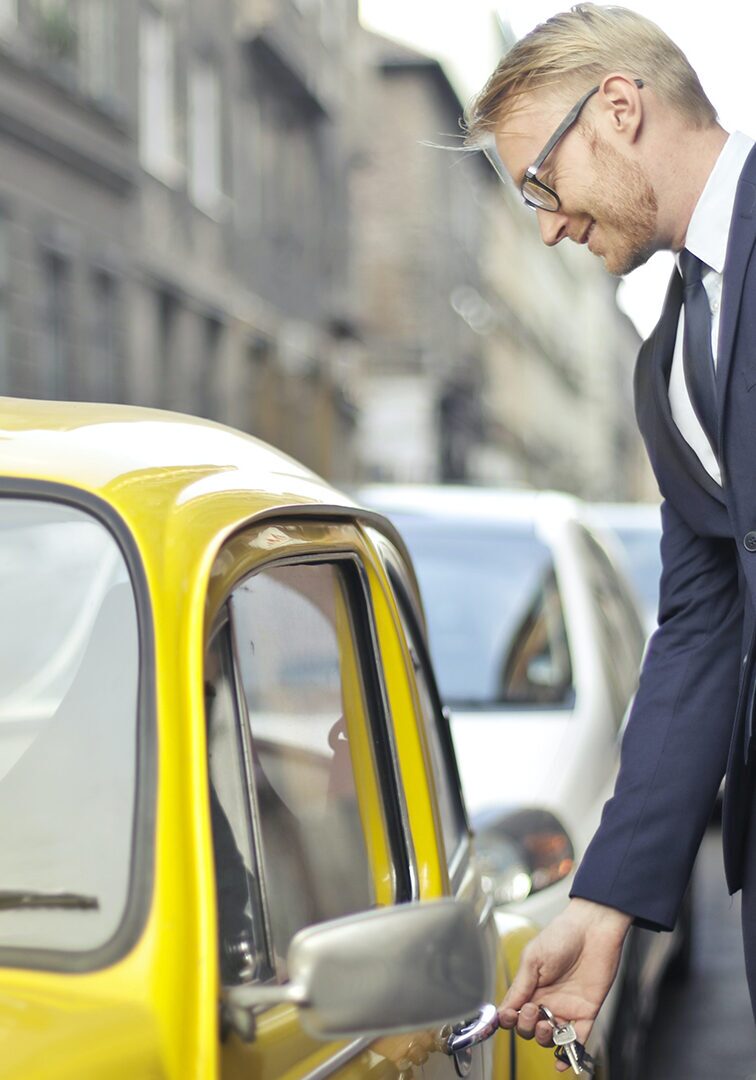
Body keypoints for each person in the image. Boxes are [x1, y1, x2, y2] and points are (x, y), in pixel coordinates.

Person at [463, 1, 756, 1064]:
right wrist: (607, 901)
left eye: (541, 182)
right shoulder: (669, 359)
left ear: (619, 110)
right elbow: (699, 629)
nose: (544, 224)